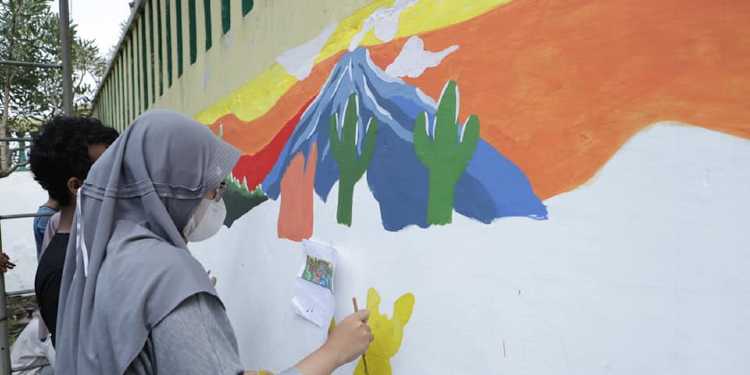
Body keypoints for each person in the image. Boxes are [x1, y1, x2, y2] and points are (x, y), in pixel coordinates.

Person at [55, 110, 372, 375]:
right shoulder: (167, 275)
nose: (215, 201)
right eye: (210, 188)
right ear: (174, 187)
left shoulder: (108, 250)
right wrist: (334, 353)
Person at [29, 116, 119, 346]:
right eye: (110, 170)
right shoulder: (62, 272)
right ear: (76, 187)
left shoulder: (97, 245)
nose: (121, 179)